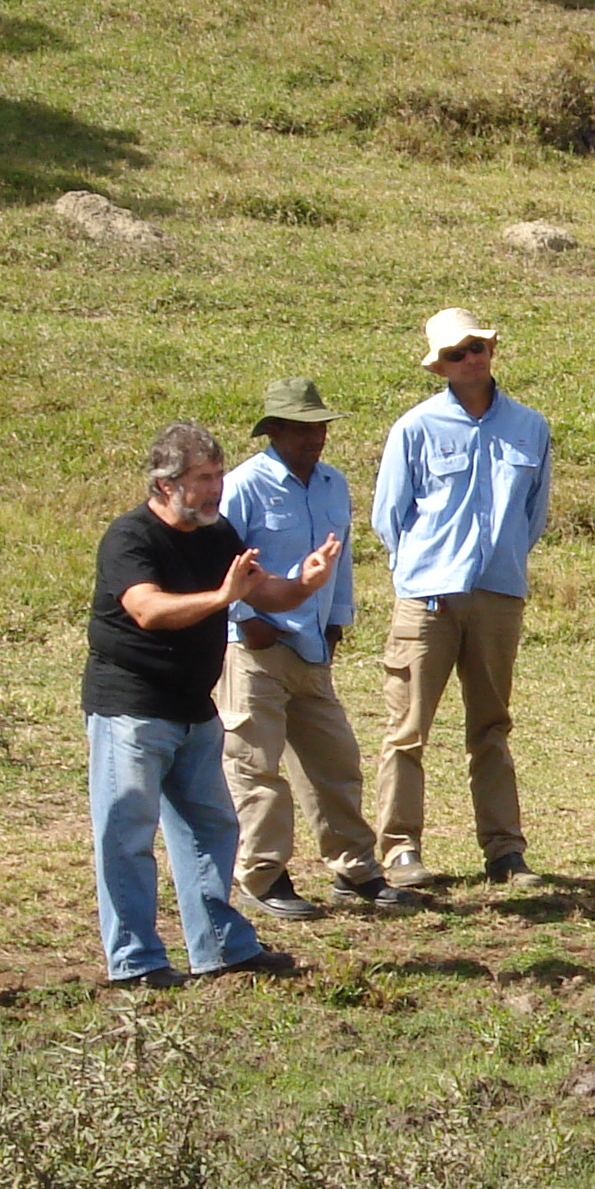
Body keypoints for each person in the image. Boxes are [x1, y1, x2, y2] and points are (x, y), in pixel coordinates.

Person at [87, 423, 338, 988]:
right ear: (165, 482)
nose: (216, 489)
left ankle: (221, 949)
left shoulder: (216, 531)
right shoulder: (130, 537)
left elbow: (263, 590)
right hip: (131, 710)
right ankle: (136, 963)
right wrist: (223, 598)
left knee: (211, 829)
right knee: (127, 836)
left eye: (219, 475)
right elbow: (147, 610)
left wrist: (303, 584)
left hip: (194, 709)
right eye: (204, 478)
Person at [216, 379, 419, 920]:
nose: (316, 438)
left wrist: (336, 621)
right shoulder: (243, 485)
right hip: (253, 648)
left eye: (320, 426)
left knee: (334, 759)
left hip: (311, 645)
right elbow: (215, 563)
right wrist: (244, 617)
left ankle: (355, 869)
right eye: (303, 428)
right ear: (275, 430)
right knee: (256, 765)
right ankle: (262, 875)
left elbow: (342, 561)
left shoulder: (333, 484)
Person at [370, 309, 552, 888]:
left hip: (498, 596)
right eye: (456, 353)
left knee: (491, 727)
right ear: (439, 366)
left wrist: (503, 564)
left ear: (492, 350)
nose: (470, 359)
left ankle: (504, 852)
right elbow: (389, 518)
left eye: (477, 347)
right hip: (427, 599)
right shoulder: (415, 429)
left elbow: (534, 513)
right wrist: (421, 574)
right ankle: (399, 849)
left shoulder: (531, 427)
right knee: (407, 728)